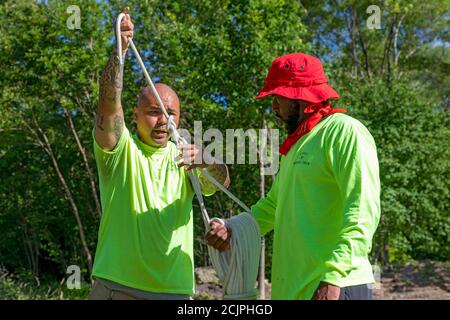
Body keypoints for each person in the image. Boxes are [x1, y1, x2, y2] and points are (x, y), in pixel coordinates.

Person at [206, 53, 381, 300]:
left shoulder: (344, 131)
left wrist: (334, 276)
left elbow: (362, 209)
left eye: (278, 98)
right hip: (295, 290)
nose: (274, 107)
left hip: (336, 286)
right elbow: (273, 207)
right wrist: (232, 228)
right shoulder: (295, 147)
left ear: (300, 97)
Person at [89, 8, 230, 300]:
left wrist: (209, 161)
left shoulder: (187, 157)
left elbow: (223, 182)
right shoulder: (121, 150)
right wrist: (120, 50)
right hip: (117, 286)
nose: (164, 120)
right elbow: (107, 103)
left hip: (175, 292)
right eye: (155, 112)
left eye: (171, 114)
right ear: (135, 115)